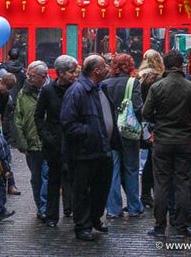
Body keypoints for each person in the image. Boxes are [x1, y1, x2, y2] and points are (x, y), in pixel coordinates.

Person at [142, 50, 191, 239]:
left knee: (161, 183)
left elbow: (146, 112)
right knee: (182, 183)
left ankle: (160, 226)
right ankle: (182, 225)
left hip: (162, 140)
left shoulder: (157, 87)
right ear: (181, 65)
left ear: (166, 65)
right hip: (184, 140)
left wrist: (157, 123)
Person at [61, 54, 121, 242]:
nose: (108, 68)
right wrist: (90, 132)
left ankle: (95, 218)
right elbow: (68, 123)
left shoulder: (101, 88)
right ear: (96, 70)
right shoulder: (77, 91)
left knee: (100, 189)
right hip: (84, 152)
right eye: (105, 66)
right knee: (82, 191)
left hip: (103, 149)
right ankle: (83, 226)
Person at [34, 54, 78, 227]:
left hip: (73, 141)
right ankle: (52, 216)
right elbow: (38, 116)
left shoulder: (77, 89)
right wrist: (46, 135)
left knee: (73, 178)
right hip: (54, 143)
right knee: (53, 180)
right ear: (60, 72)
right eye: (70, 72)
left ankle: (71, 209)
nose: (74, 75)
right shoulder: (48, 91)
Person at [103, 53, 144, 218]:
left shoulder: (104, 83)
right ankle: (134, 207)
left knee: (113, 171)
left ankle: (113, 209)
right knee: (132, 170)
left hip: (110, 132)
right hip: (129, 133)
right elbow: (138, 107)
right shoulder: (133, 83)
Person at [14, 60, 49, 220]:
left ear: (43, 76)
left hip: (49, 142)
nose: (29, 78)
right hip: (31, 143)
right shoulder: (24, 93)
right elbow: (18, 119)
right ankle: (40, 205)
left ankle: (45, 206)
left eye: (33, 76)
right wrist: (22, 142)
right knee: (36, 177)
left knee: (46, 175)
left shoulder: (52, 91)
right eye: (29, 75)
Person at [138, 49, 164, 208]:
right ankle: (150, 192)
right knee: (153, 159)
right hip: (154, 122)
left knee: (147, 158)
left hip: (141, 122)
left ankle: (145, 193)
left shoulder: (139, 77)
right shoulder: (156, 78)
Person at [0, 72, 21, 196]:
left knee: (6, 156)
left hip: (2, 128)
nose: (5, 91)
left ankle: (10, 183)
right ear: (0, 82)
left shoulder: (5, 95)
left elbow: (6, 115)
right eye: (5, 88)